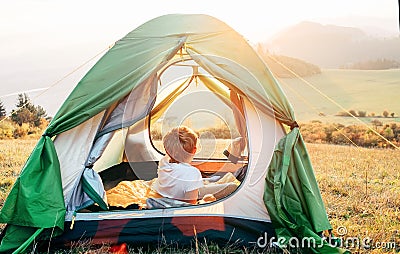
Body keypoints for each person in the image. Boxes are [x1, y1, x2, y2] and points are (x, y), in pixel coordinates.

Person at [152, 126, 203, 204]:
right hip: (180, 204)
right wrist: (206, 201)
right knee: (214, 194)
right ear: (194, 150)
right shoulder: (193, 173)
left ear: (167, 150)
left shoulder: (163, 162)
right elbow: (191, 204)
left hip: (164, 196)